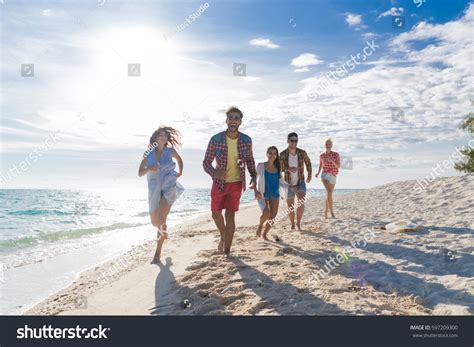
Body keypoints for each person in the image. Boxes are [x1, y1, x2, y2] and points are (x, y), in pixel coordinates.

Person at [203, 106, 257, 255]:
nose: (233, 121)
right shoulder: (216, 139)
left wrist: (253, 176)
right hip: (219, 182)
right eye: (231, 118)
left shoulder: (246, 140)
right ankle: (223, 235)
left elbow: (250, 160)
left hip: (237, 183)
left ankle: (227, 251)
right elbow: (206, 162)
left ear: (240, 122)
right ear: (226, 121)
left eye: (236, 118)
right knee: (215, 214)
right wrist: (215, 173)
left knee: (230, 216)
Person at [138, 126, 184, 263]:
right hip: (154, 190)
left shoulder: (170, 151)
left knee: (161, 219)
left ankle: (157, 253)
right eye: (160, 135)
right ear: (155, 139)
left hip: (169, 187)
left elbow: (179, 160)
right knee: (155, 221)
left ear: (167, 139)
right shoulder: (148, 153)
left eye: (165, 136)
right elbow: (140, 172)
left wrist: (180, 172)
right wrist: (150, 168)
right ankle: (164, 230)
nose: (163, 137)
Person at [254, 146, 287, 240]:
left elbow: (281, 182)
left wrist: (290, 187)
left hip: (275, 195)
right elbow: (254, 178)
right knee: (266, 214)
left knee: (272, 217)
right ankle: (260, 226)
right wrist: (255, 191)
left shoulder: (278, 168)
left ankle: (265, 234)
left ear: (276, 155)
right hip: (263, 194)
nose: (272, 155)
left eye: (274, 153)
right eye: (270, 153)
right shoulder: (261, 166)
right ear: (267, 154)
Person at [280, 132, 312, 230]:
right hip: (288, 184)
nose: (294, 142)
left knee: (301, 202)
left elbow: (308, 163)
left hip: (300, 182)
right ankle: (292, 224)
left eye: (296, 140)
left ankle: (298, 223)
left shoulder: (302, 152)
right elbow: (278, 168)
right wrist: (288, 169)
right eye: (292, 140)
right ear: (288, 141)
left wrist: (309, 174)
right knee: (290, 207)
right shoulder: (282, 154)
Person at [315, 138, 340, 219]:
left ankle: (325, 212)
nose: (328, 145)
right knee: (329, 192)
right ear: (325, 145)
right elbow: (320, 165)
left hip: (333, 175)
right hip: (324, 175)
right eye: (326, 144)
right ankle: (332, 212)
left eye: (329, 144)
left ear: (331, 145)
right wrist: (318, 173)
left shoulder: (336, 154)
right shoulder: (322, 155)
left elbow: (338, 166)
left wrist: (332, 161)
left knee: (329, 194)